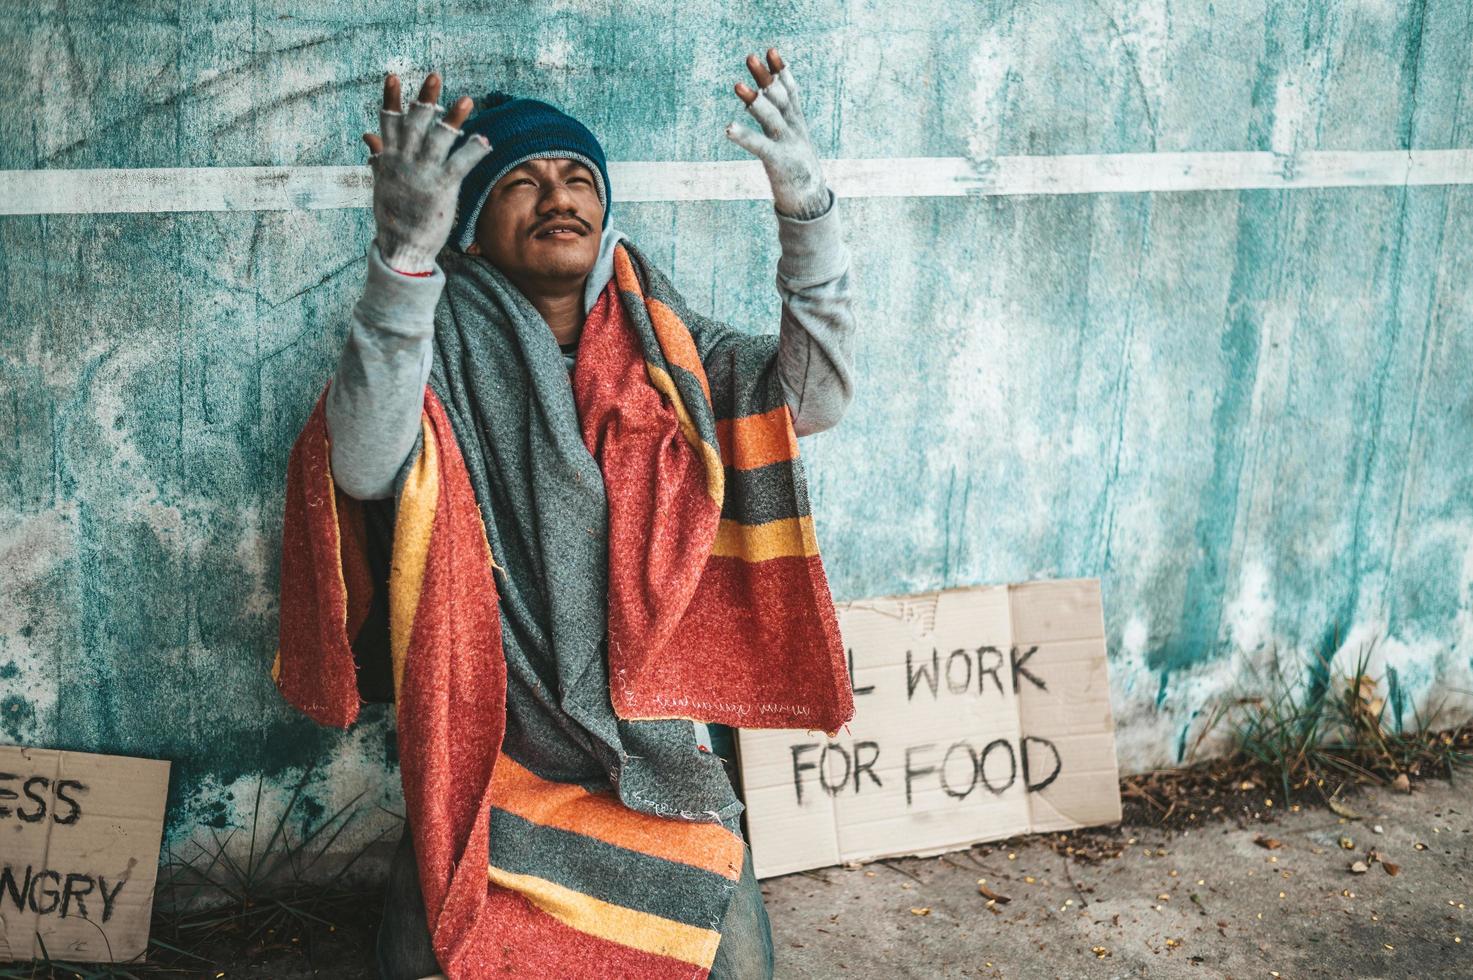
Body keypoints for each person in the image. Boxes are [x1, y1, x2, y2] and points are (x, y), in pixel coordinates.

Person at [272, 48, 856, 980]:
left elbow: (812, 398)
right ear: (469, 230)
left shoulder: (667, 343)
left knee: (735, 968)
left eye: (578, 176)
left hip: (652, 751)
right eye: (522, 182)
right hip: (488, 746)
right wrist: (403, 262)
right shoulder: (433, 332)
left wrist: (806, 212)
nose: (559, 196)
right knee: (439, 957)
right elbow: (365, 461)